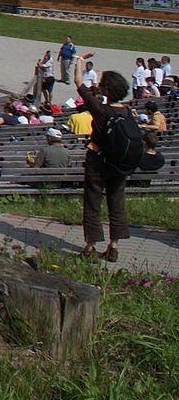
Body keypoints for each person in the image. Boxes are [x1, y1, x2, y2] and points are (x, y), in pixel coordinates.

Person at [78, 71, 135, 262]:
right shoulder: (127, 112)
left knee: (92, 202)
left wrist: (79, 59)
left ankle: (90, 246)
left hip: (98, 161)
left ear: (106, 90)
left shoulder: (101, 110)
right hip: (118, 163)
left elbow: (79, 84)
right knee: (117, 203)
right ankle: (114, 247)